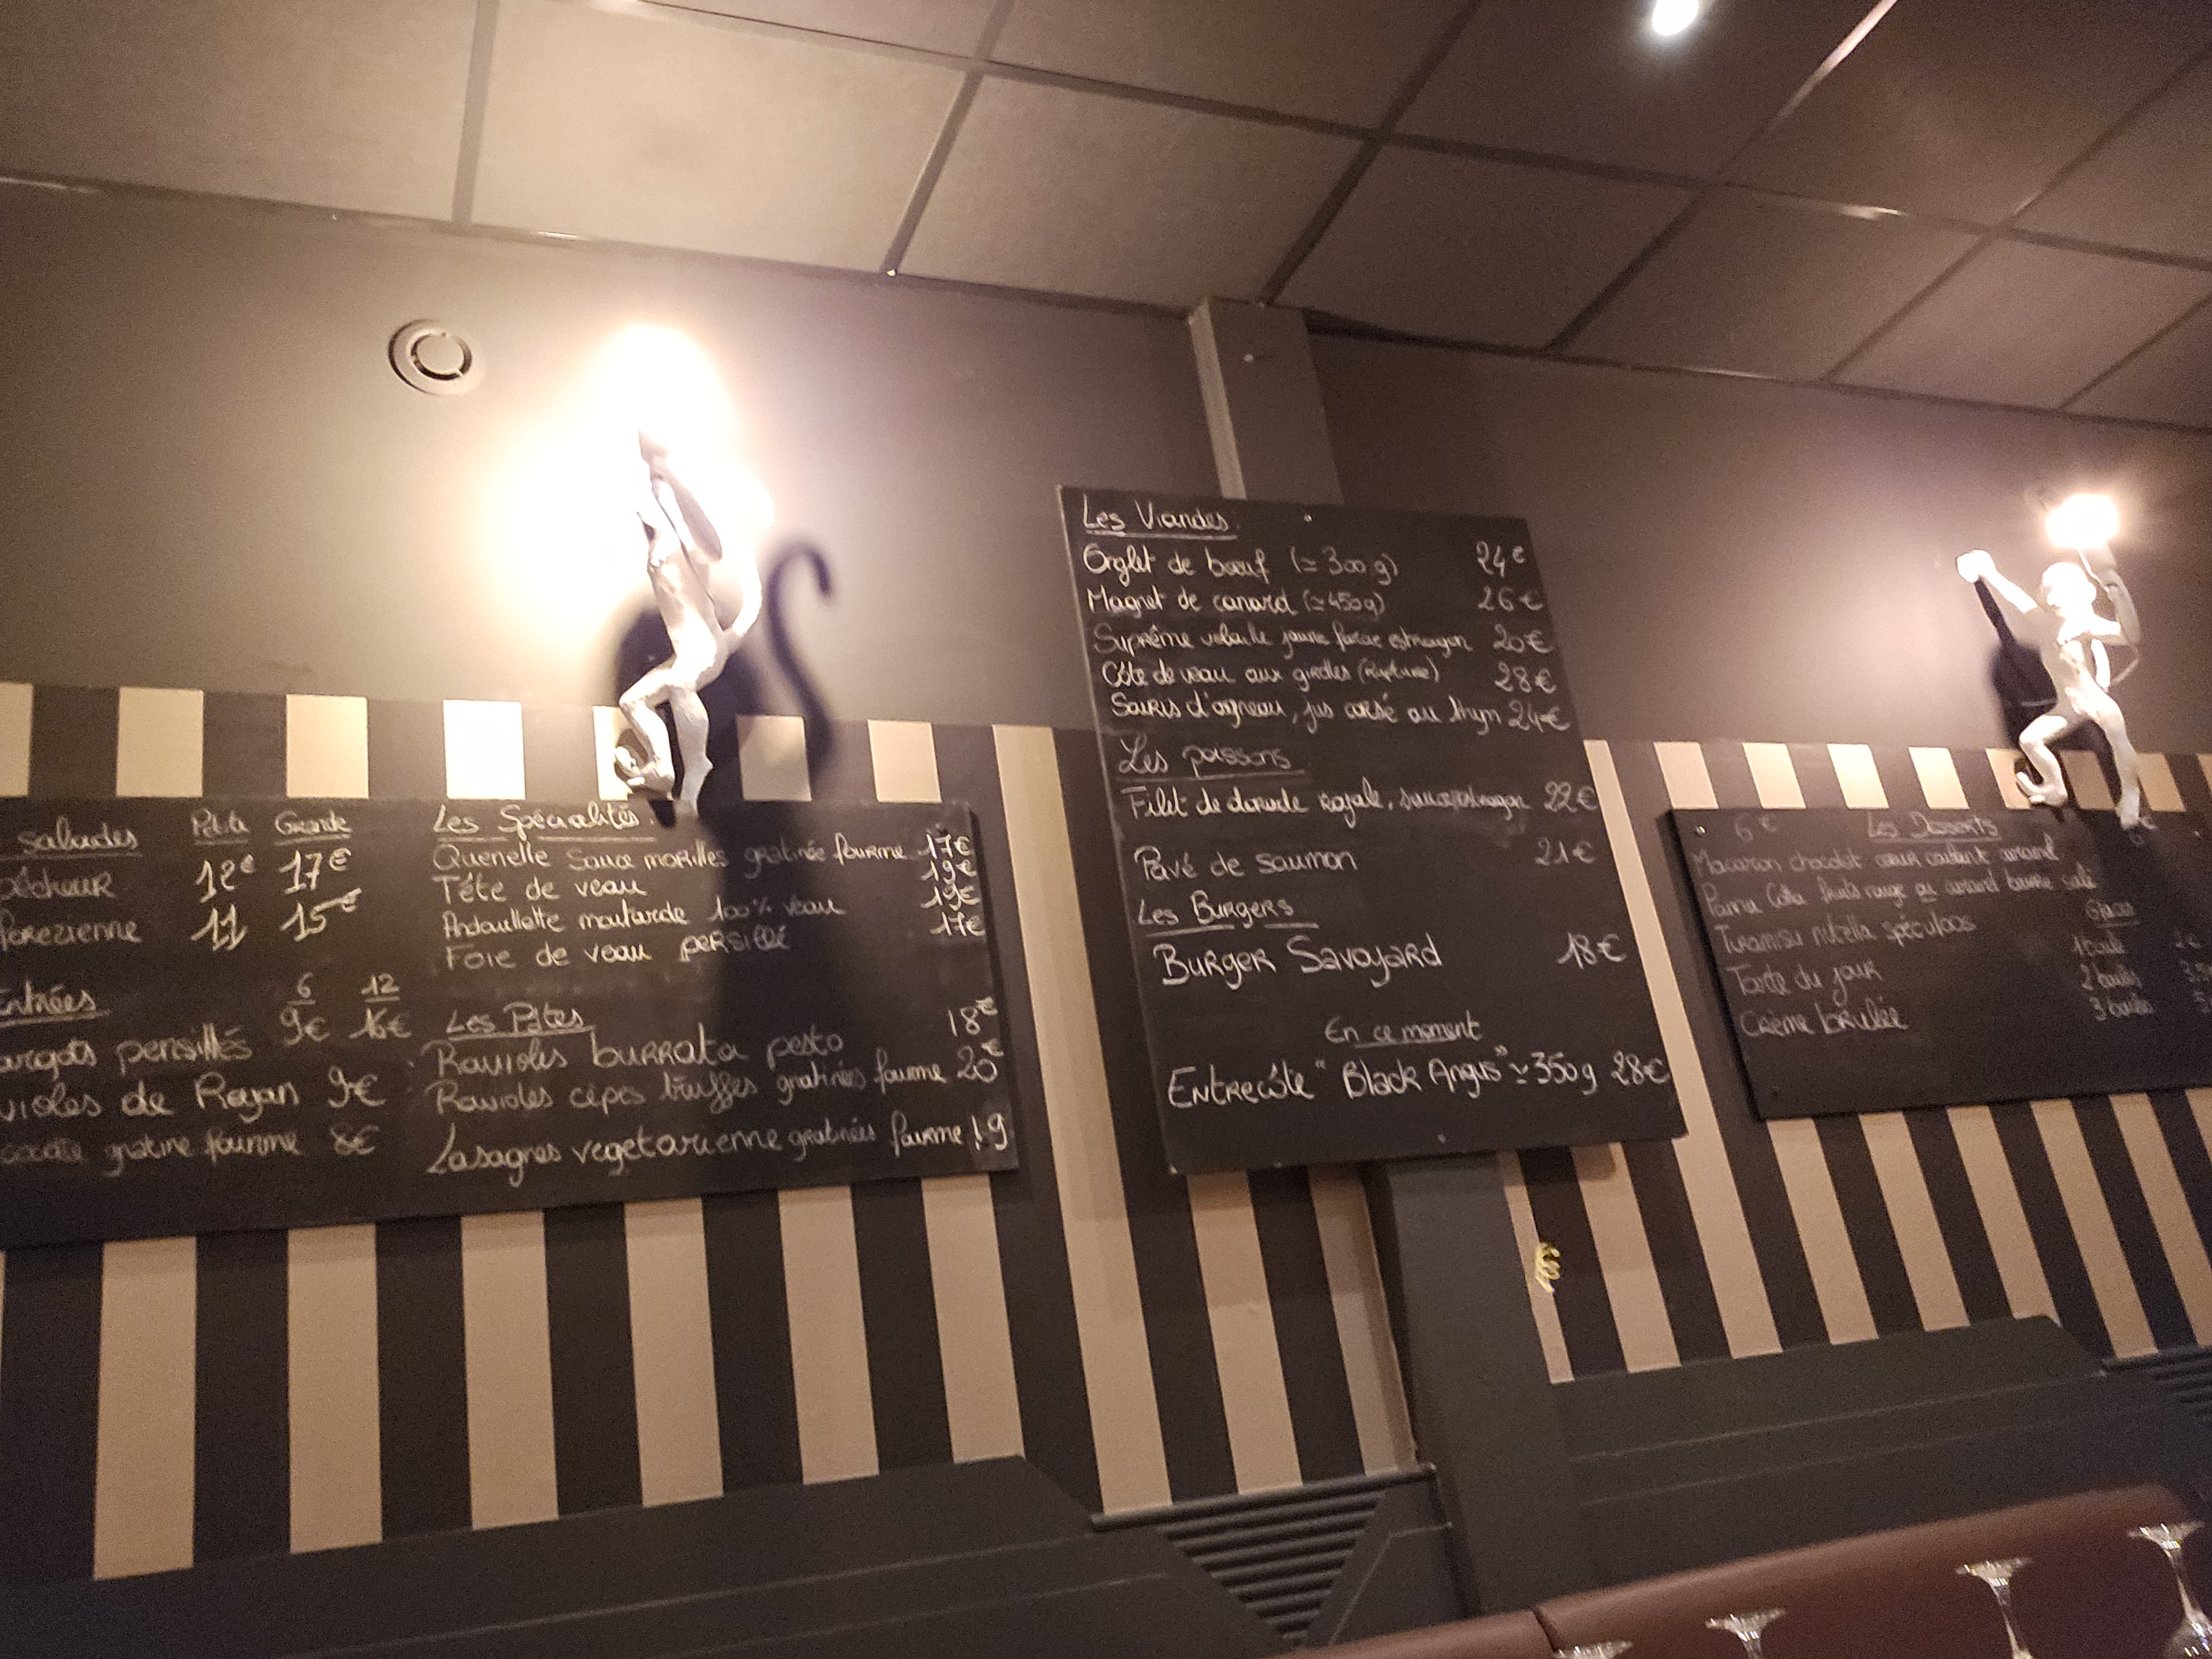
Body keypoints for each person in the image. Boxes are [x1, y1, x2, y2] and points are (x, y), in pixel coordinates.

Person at [614, 432, 763, 814]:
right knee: (633, 701)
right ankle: (662, 769)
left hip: (707, 649)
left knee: (682, 682)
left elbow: (713, 545)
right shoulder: (659, 542)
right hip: (685, 653)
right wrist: (653, 471)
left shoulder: (688, 545)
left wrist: (672, 478)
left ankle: (697, 766)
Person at [1956, 543, 2142, 828]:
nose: (2053, 596)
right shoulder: (2046, 624)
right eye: (2048, 588)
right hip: (2067, 706)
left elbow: (2129, 635)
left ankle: (2131, 794)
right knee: (2029, 740)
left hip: (2094, 701)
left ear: (2083, 593)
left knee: (2118, 738)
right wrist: (1989, 573)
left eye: (2061, 588)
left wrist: (2117, 591)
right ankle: (2055, 787)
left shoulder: (2085, 625)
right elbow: (2016, 598)